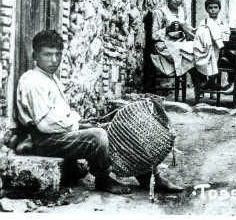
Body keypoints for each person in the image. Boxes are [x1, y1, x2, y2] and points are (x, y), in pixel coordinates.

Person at [14, 30, 182, 194]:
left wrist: (81, 123)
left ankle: (149, 177)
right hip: (44, 141)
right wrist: (79, 125)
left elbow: (62, 115)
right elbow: (46, 124)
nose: (54, 60)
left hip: (57, 133)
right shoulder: (33, 81)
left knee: (123, 129)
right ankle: (103, 179)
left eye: (58, 54)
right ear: (35, 55)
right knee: (97, 136)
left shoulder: (50, 78)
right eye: (47, 55)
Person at [150, 0, 196, 79]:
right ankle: (200, 83)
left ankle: (201, 83)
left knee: (197, 50)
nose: (177, 0)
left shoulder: (182, 11)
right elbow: (154, 35)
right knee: (187, 55)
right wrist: (167, 29)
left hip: (180, 42)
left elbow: (186, 27)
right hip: (166, 45)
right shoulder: (159, 12)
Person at [194, 0, 230, 90]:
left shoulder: (223, 23)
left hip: (219, 48)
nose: (213, 10)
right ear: (206, 9)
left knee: (215, 51)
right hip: (205, 48)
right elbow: (199, 35)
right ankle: (209, 80)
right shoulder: (204, 22)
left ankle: (212, 80)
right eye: (210, 8)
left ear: (219, 8)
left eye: (215, 7)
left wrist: (218, 36)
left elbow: (226, 35)